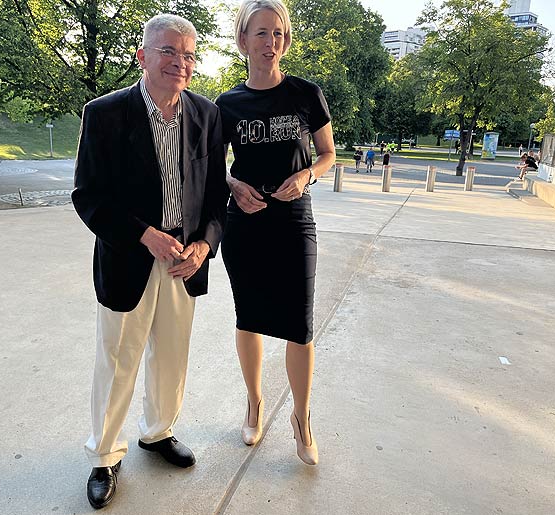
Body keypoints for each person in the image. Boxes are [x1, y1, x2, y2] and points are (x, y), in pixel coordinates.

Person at [72, 14, 228, 510]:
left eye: (188, 54)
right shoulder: (104, 114)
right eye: (168, 51)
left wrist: (203, 245)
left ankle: (158, 433)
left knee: (173, 355)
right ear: (142, 56)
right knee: (118, 359)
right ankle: (104, 455)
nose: (179, 62)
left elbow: (216, 196)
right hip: (128, 257)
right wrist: (144, 235)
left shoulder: (206, 115)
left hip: (186, 261)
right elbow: (89, 197)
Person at [215, 0, 336, 466]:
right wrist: (231, 183)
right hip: (244, 222)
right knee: (249, 318)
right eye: (261, 33)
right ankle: (255, 402)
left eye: (279, 34)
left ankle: (302, 419)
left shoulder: (306, 93)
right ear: (243, 40)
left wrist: (307, 176)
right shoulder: (227, 104)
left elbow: (327, 154)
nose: (271, 43)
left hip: (294, 221)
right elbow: (212, 165)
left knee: (300, 326)